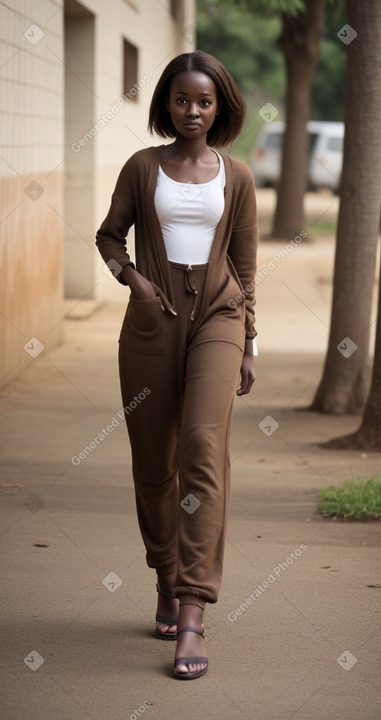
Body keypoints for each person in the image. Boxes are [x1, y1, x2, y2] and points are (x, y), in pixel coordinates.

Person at [95, 50, 258, 680]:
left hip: (218, 317)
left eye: (205, 101)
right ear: (168, 102)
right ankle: (164, 575)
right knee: (154, 464)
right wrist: (132, 278)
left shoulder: (236, 176)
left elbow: (245, 268)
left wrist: (248, 343)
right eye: (183, 100)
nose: (193, 110)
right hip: (151, 324)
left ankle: (193, 609)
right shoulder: (143, 167)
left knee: (201, 448)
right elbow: (109, 238)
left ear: (221, 107)